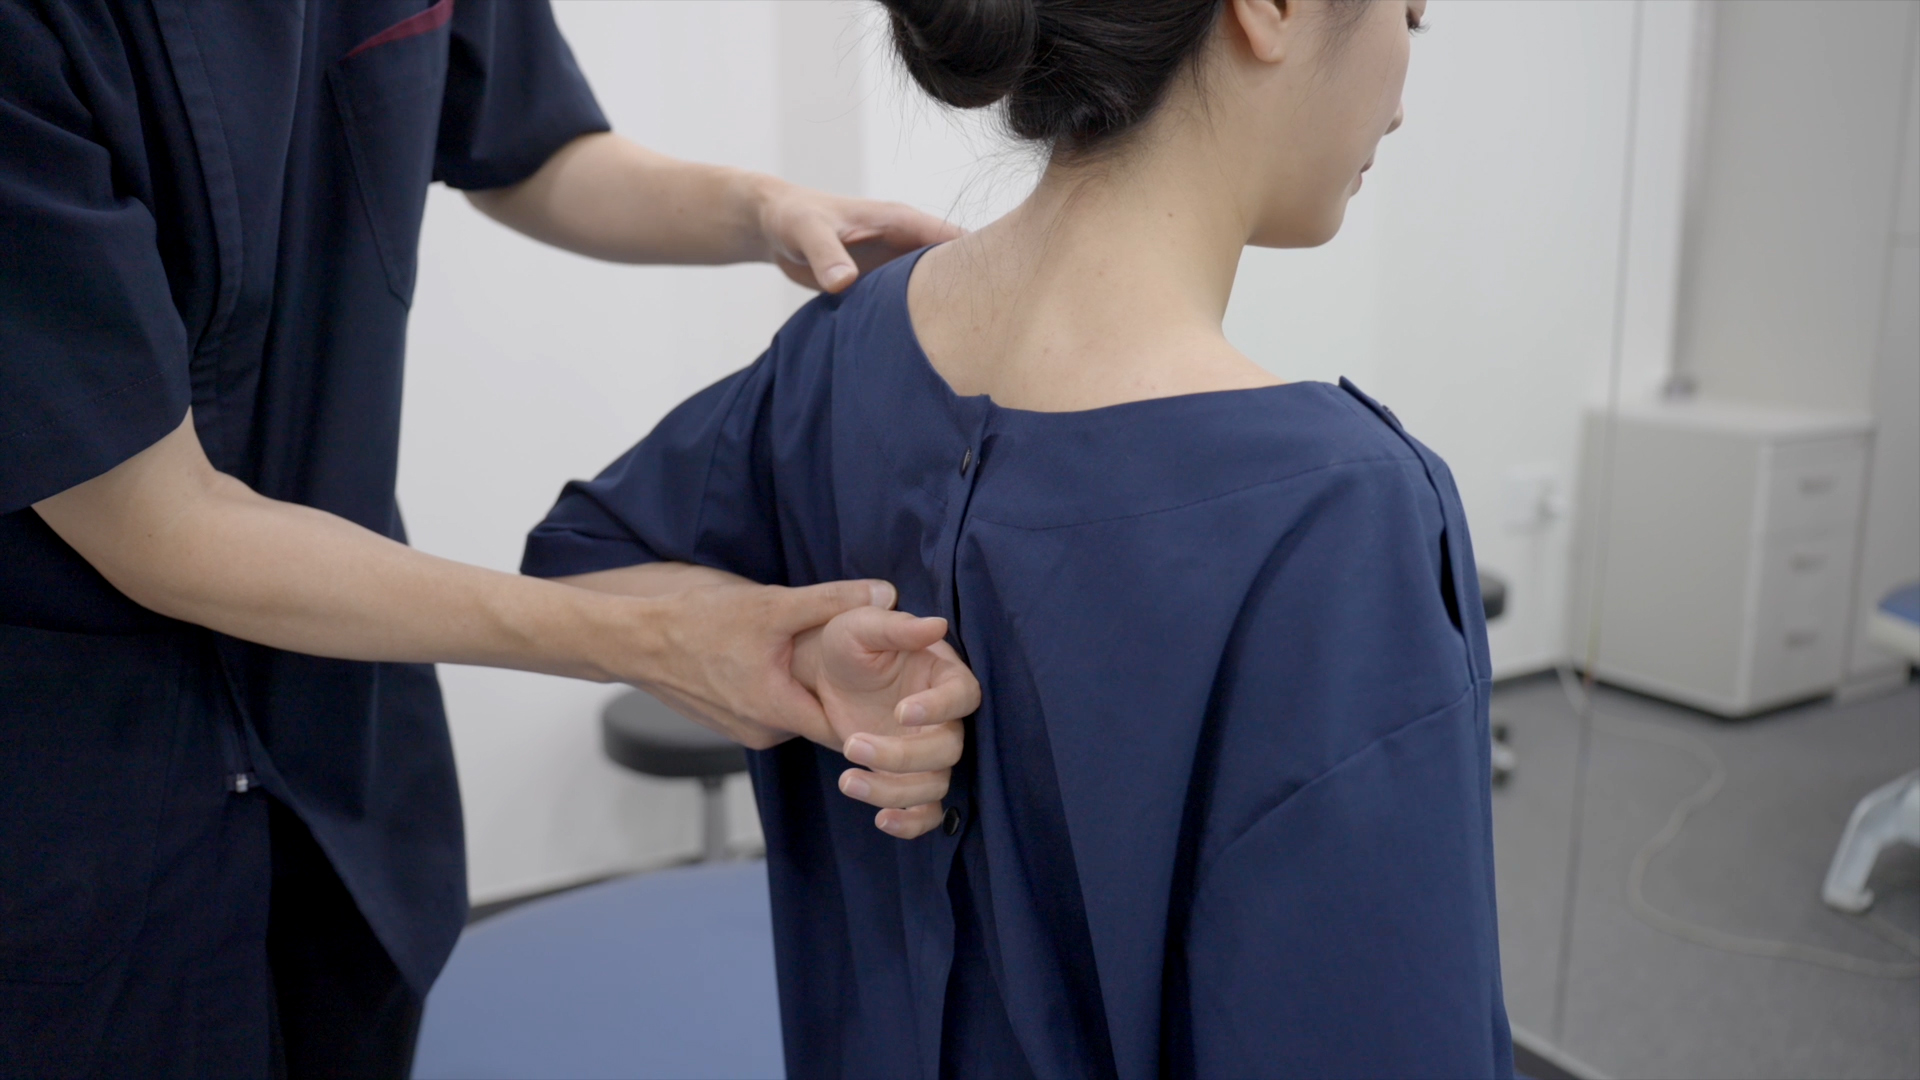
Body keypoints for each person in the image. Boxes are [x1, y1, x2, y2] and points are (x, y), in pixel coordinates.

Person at [525, 0, 1515, 1075]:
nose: (1401, 104)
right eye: (1410, 14)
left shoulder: (840, 354)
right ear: (1269, 9)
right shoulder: (1343, 515)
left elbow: (587, 563)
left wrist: (789, 649)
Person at [0, 1, 976, 1076]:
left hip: (344, 737)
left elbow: (533, 150)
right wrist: (655, 639)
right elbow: (161, 526)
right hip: (80, 777)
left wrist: (765, 210)